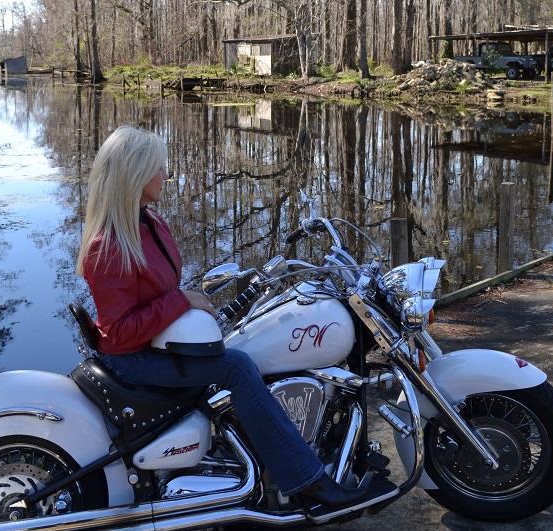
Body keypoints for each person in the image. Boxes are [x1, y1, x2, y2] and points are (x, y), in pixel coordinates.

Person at [76, 125, 372, 508]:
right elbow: (118, 332)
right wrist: (181, 303)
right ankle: (307, 481)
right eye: (158, 167)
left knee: (243, 346)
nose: (166, 173)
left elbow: (161, 293)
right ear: (135, 174)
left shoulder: (149, 222)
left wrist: (191, 306)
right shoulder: (109, 245)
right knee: (237, 366)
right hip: (132, 359)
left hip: (157, 343)